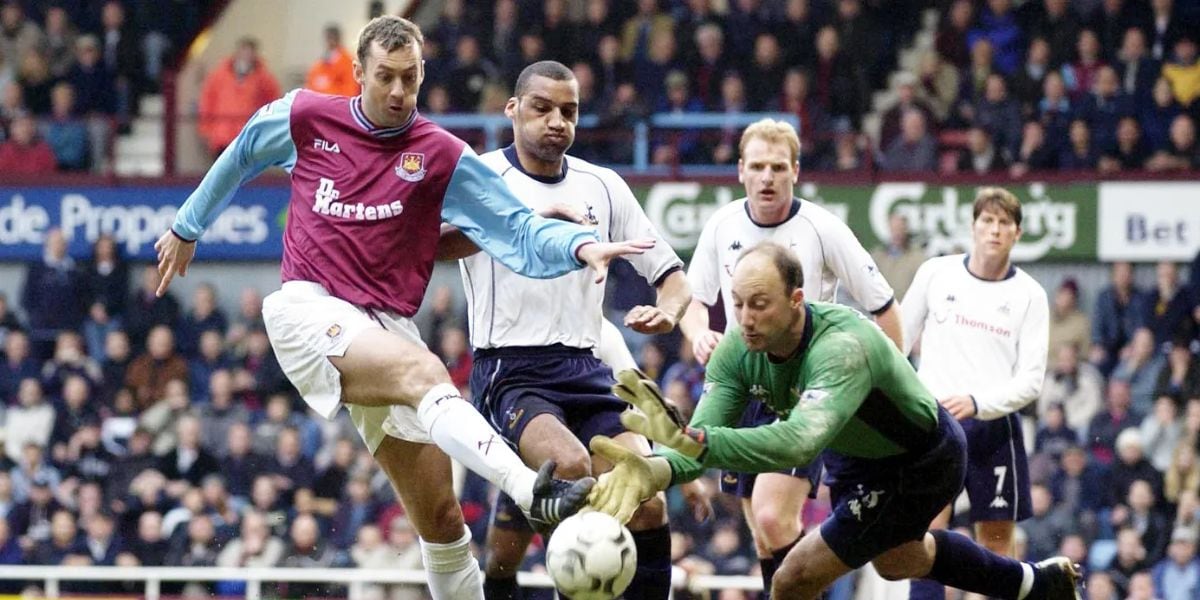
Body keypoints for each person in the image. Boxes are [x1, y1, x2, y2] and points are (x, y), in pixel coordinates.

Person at [153, 16, 649, 600]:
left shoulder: (441, 154)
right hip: (308, 307)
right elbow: (240, 154)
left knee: (442, 522)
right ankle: (527, 488)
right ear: (358, 72)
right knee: (426, 372)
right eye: (384, 76)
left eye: (409, 78)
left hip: (388, 328)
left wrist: (580, 245)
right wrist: (187, 226)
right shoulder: (306, 116)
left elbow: (517, 230)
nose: (397, 91)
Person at [588, 241, 1082, 600]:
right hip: (854, 461)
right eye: (737, 304)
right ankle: (1037, 584)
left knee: (792, 580)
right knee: (898, 561)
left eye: (759, 304)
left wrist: (693, 443)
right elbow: (694, 443)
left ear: (796, 300)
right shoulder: (738, 348)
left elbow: (796, 444)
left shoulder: (842, 346)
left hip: (921, 460)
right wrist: (658, 468)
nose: (745, 318)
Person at [439, 60, 695, 600]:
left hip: (585, 369)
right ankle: (503, 576)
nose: (557, 121)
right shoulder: (480, 177)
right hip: (509, 372)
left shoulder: (603, 186)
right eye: (542, 108)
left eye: (569, 111)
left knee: (645, 498)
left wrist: (669, 311)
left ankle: (512, 545)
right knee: (572, 469)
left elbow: (672, 276)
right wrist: (512, 226)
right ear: (512, 109)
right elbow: (428, 247)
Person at [677, 117, 902, 594]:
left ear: (795, 171)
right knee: (763, 534)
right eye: (758, 166)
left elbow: (883, 306)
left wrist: (887, 390)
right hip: (745, 385)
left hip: (806, 392)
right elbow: (693, 298)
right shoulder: (722, 224)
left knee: (773, 517)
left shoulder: (823, 227)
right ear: (740, 170)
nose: (767, 177)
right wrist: (698, 333)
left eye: (778, 167)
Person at [901, 188, 1049, 600]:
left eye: (1004, 223)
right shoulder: (936, 273)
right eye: (987, 220)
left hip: (994, 430)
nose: (994, 230)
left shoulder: (1030, 295)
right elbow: (896, 341)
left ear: (1017, 233)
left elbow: (1031, 381)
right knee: (925, 538)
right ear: (973, 226)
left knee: (997, 546)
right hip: (935, 427)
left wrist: (979, 404)